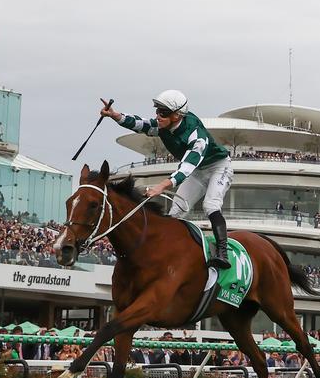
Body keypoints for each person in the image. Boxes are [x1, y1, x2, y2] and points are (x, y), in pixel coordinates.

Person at [100, 90, 233, 269]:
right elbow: (140, 124)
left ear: (177, 115)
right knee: (175, 212)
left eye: (163, 112)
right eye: (157, 111)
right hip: (197, 172)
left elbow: (187, 166)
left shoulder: (196, 135)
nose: (158, 116)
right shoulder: (162, 125)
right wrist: (115, 116)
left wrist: (161, 186)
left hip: (218, 167)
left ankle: (223, 254)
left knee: (210, 205)